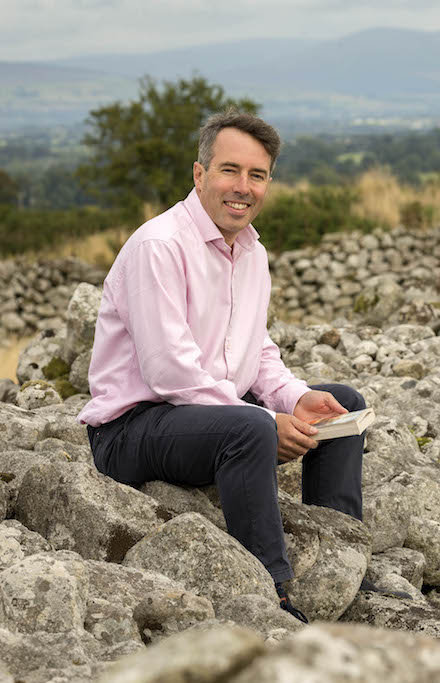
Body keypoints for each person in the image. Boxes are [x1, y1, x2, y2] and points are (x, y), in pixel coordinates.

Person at [77, 108, 367, 623]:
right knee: (250, 427)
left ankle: (340, 550)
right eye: (230, 170)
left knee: (342, 405)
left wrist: (295, 399)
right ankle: (272, 599)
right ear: (200, 173)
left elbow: (253, 351)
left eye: (257, 175)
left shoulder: (251, 251)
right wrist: (260, 420)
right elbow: (170, 371)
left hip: (205, 419)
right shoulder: (160, 245)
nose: (243, 187)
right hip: (130, 432)